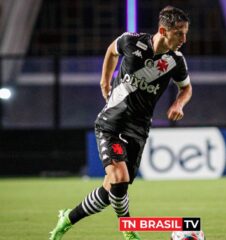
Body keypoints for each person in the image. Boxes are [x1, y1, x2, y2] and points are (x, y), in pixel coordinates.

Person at [49, 6, 192, 240]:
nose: (184, 39)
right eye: (179, 33)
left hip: (139, 131)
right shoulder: (132, 41)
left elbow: (186, 88)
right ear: (163, 30)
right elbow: (111, 51)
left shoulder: (176, 61)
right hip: (111, 124)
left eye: (186, 33)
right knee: (119, 178)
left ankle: (66, 219)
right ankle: (127, 228)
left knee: (112, 191)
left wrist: (179, 104)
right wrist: (104, 81)